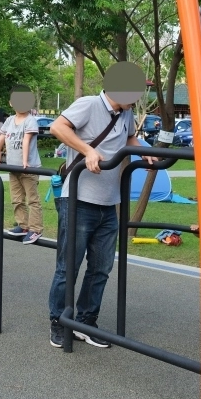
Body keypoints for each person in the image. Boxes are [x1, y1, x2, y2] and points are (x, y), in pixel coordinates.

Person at [46, 63, 154, 349]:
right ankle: (59, 320)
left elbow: (129, 137)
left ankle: (86, 321)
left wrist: (145, 151)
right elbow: (57, 126)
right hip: (79, 199)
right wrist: (88, 150)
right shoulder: (89, 104)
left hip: (110, 202)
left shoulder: (126, 112)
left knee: (101, 268)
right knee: (68, 266)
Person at [0, 88, 43, 244]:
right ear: (11, 103)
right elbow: (0, 140)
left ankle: (35, 229)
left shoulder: (30, 120)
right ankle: (23, 225)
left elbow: (26, 140)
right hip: (13, 168)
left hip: (28, 167)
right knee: (17, 199)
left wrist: (25, 161)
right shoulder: (9, 120)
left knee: (32, 199)